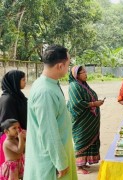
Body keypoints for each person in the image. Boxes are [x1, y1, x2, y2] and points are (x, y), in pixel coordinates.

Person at [24, 45, 77, 180]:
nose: (68, 67)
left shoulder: (48, 84)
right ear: (60, 66)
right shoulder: (45, 92)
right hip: (51, 163)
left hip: (58, 154)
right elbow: (49, 133)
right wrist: (60, 162)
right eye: (68, 64)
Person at [67, 66, 104, 174]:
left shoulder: (83, 85)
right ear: (76, 75)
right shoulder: (74, 86)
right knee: (81, 140)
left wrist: (97, 102)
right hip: (81, 120)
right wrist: (93, 104)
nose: (86, 74)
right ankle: (78, 166)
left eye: (85, 72)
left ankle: (84, 162)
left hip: (90, 119)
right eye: (83, 72)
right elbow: (76, 104)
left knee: (89, 139)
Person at [0, 70, 27, 166]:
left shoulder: (18, 96)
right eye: (23, 79)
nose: (25, 82)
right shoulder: (8, 100)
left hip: (21, 136)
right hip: (14, 140)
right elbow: (7, 123)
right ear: (15, 81)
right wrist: (20, 135)